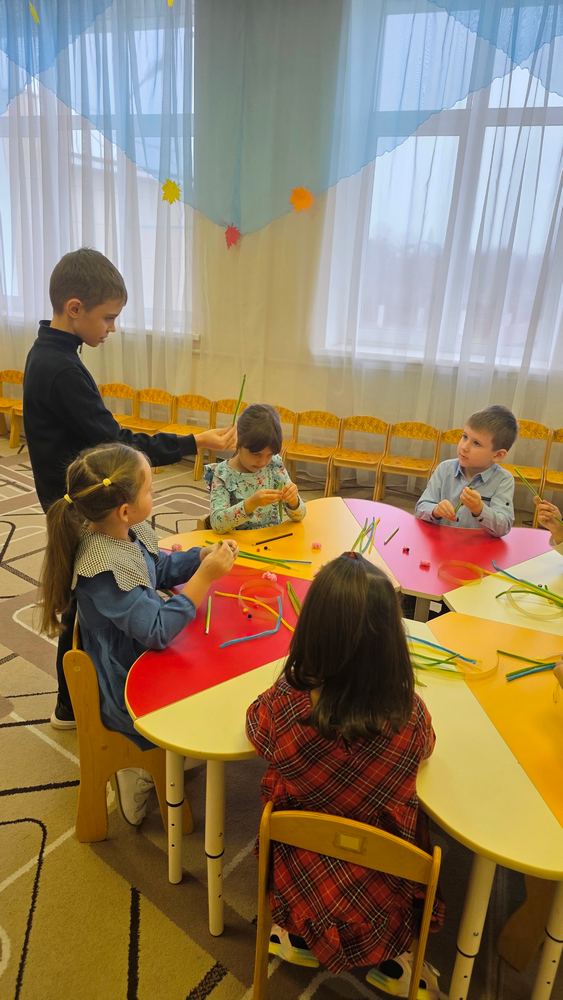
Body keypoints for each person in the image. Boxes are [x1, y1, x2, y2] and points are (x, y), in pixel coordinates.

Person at [24, 247, 236, 729]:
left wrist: (193, 561)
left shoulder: (52, 353)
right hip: (80, 502)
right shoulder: (60, 368)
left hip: (76, 496)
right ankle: (78, 704)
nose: (113, 329)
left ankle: (73, 702)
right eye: (108, 318)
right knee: (85, 600)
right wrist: (192, 441)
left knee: (86, 599)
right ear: (74, 308)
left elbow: (102, 438)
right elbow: (116, 441)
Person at [246, 553, 444, 998]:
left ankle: (298, 935)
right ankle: (394, 958)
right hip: (381, 889)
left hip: (301, 876)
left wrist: (286, 685)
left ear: (311, 631)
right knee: (415, 823)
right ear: (391, 642)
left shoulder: (287, 703)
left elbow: (255, 727)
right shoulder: (408, 715)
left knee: (281, 792)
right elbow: (428, 746)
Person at [39, 442, 238, 826]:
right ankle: (136, 767)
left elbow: (156, 570)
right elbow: (157, 631)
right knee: (212, 725)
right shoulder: (104, 569)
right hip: (127, 689)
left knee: (213, 667)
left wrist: (197, 558)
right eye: (149, 489)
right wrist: (205, 577)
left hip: (137, 659)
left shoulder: (123, 532)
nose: (155, 493)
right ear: (124, 510)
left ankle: (155, 758)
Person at [415, 404, 518, 537]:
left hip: (478, 547)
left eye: (476, 443)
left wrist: (479, 509)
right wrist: (435, 510)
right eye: (464, 436)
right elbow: (420, 508)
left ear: (498, 455)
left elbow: (503, 527)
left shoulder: (503, 480)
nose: (464, 447)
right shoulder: (444, 469)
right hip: (441, 542)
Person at [205, 403, 306, 532]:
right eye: (256, 454)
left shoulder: (274, 465)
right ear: (238, 441)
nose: (263, 461)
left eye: (269, 454)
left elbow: (300, 515)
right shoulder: (223, 473)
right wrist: (251, 504)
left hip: (272, 539)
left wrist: (294, 501)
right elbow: (217, 524)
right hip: (239, 542)